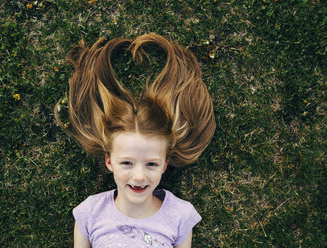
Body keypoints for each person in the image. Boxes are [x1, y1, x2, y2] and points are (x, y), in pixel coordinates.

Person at [55, 33, 215, 247]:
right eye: (127, 163)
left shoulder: (179, 216)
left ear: (164, 165)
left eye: (151, 164)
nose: (139, 176)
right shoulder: (90, 213)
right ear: (109, 161)